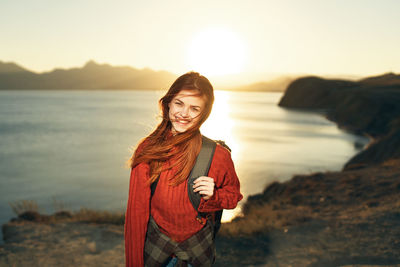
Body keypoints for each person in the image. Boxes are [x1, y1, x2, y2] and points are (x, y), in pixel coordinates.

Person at [124, 72, 243, 267]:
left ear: (204, 113)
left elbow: (233, 196)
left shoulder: (218, 155)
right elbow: (136, 214)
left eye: (194, 108)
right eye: (179, 103)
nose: (184, 114)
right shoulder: (148, 150)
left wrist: (213, 196)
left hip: (197, 247)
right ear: (168, 103)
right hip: (156, 245)